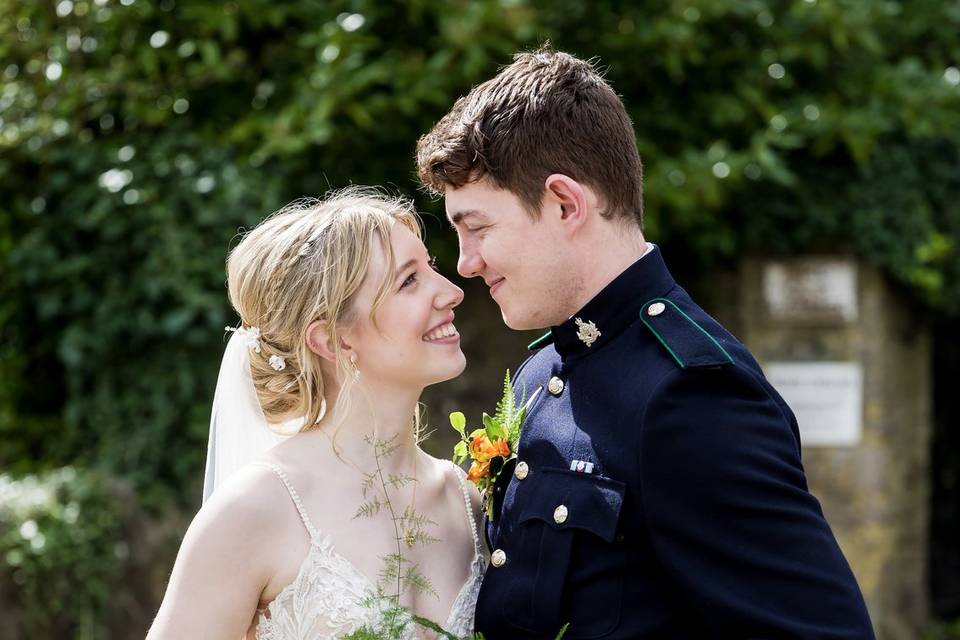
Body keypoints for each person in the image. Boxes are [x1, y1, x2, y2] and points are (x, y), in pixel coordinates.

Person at [416, 46, 876, 639]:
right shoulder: (540, 376)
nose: (467, 264)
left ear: (564, 204)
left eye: (477, 228)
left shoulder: (692, 394)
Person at [147, 188, 483, 640]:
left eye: (432, 269)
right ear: (333, 341)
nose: (452, 292)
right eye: (409, 281)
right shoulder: (254, 510)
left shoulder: (466, 499)